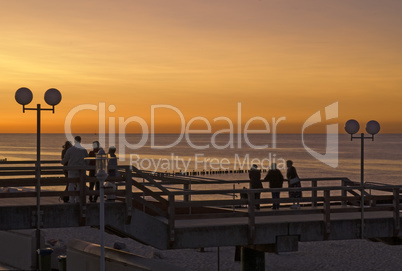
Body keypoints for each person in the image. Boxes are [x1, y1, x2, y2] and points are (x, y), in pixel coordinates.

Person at [61, 136, 88, 203]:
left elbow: (65, 159)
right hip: (81, 170)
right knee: (79, 184)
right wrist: (85, 165)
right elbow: (87, 160)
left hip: (72, 169)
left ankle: (71, 199)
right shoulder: (83, 150)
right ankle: (78, 199)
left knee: (71, 184)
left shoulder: (70, 150)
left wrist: (62, 162)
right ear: (80, 141)